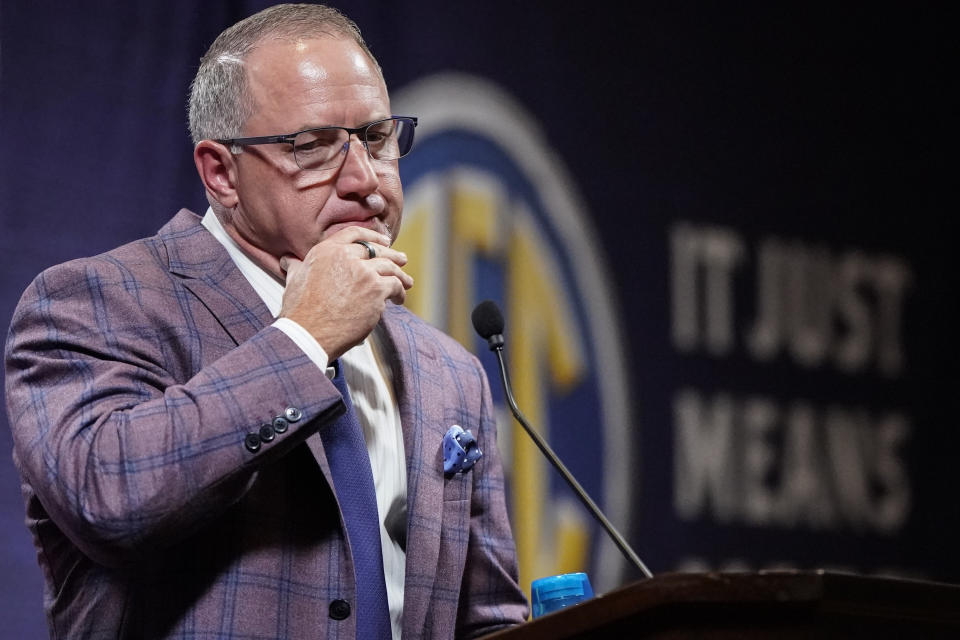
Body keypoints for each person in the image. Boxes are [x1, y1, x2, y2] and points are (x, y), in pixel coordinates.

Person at [4, 4, 527, 638]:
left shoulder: (450, 371)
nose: (364, 180)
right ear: (221, 173)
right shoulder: (94, 304)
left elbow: (487, 621)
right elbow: (108, 495)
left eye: (376, 138)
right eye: (313, 147)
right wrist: (304, 339)